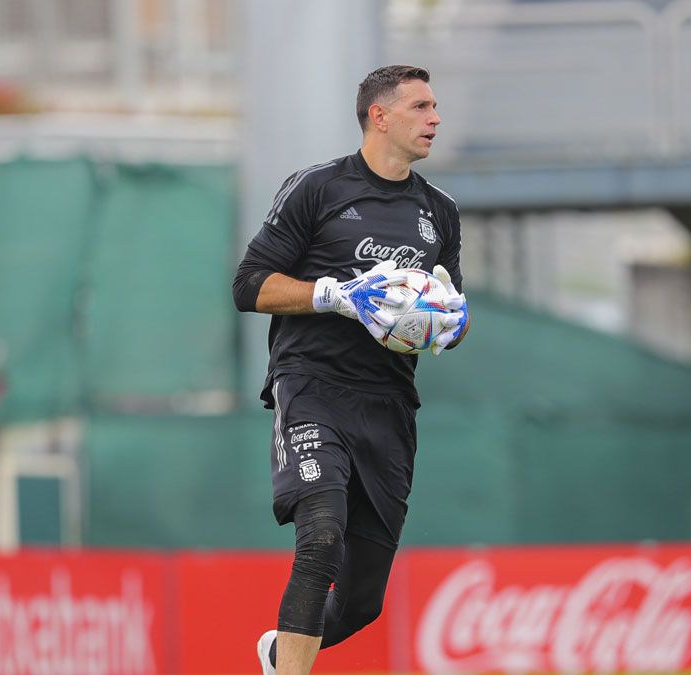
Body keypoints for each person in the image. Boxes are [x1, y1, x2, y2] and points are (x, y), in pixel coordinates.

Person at [232, 64, 469, 675]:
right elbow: (249, 285)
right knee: (320, 537)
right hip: (312, 385)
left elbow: (450, 312)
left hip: (389, 404)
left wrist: (450, 323)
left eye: (435, 107)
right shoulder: (318, 188)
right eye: (421, 107)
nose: (436, 118)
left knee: (362, 603)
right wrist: (335, 295)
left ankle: (277, 655)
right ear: (379, 116)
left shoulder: (440, 211)